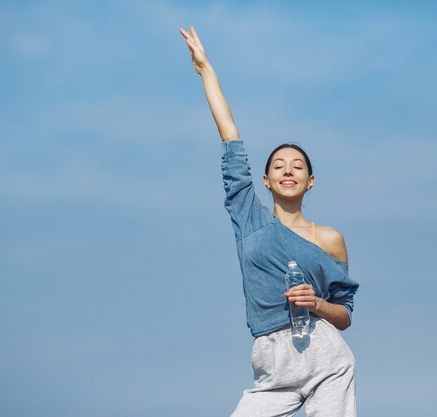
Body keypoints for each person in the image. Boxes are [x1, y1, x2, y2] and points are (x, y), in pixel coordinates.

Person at [179, 26, 359, 417]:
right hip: (270, 360)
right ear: (266, 180)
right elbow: (231, 139)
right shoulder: (250, 219)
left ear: (310, 182)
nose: (288, 170)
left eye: (298, 167)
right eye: (278, 165)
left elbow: (344, 315)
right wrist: (207, 71)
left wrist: (317, 304)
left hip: (325, 357)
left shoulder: (329, 239)